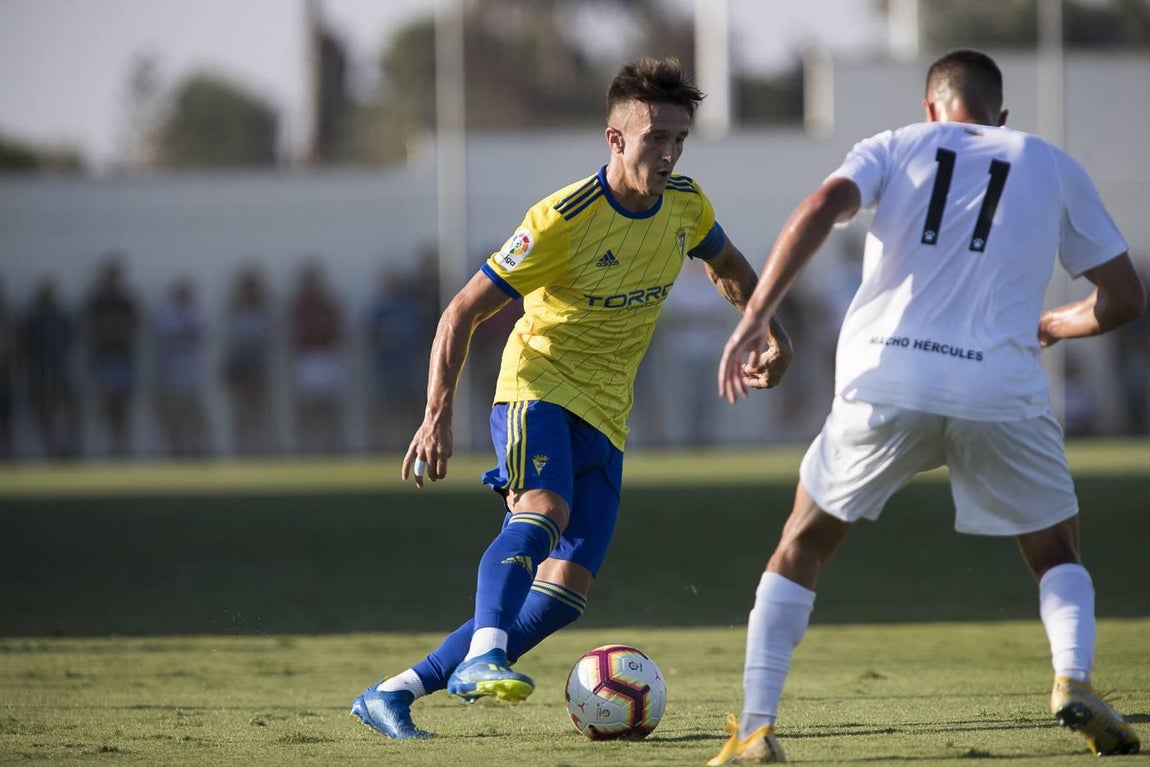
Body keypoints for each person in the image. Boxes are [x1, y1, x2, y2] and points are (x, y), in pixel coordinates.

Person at [709, 49, 1145, 764]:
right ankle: (1073, 675)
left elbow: (822, 205)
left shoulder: (895, 146)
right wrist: (1050, 324)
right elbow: (1125, 298)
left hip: (887, 376)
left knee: (804, 540)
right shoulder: (1048, 162)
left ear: (930, 110)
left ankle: (755, 729)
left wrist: (757, 313)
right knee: (1056, 549)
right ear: (1001, 117)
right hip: (998, 386)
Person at [350, 57, 792, 740]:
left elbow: (727, 267)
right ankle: (484, 654)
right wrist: (435, 416)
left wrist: (766, 328)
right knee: (544, 509)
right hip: (537, 387)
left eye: (679, 138)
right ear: (616, 140)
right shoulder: (562, 219)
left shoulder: (686, 203)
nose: (669, 153)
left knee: (561, 596)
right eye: (655, 139)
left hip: (608, 415)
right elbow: (460, 311)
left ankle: (393, 692)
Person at [84, 258, 140, 457]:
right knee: (107, 403)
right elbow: (93, 329)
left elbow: (133, 327)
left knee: (123, 405)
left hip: (124, 357)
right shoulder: (97, 301)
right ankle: (107, 446)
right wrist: (111, 329)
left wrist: (113, 328)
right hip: (104, 358)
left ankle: (122, 447)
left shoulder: (126, 300)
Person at [153, 278, 210, 457]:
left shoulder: (197, 312)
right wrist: (186, 334)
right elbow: (171, 337)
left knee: (195, 416)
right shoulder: (167, 313)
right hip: (171, 376)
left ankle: (196, 449)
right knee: (173, 418)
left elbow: (200, 335)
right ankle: (176, 450)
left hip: (193, 376)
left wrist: (185, 334)